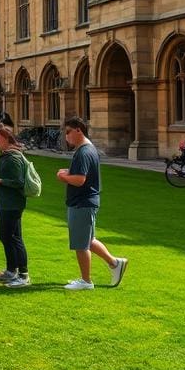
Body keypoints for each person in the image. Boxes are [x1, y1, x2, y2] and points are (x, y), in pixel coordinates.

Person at [57, 117, 128, 290]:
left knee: (80, 244)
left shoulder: (83, 152)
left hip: (82, 202)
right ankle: (115, 263)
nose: (66, 137)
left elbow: (80, 179)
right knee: (89, 240)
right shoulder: (87, 150)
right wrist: (68, 172)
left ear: (78, 130)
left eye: (68, 132)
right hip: (86, 201)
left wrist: (63, 176)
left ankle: (86, 281)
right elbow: (83, 174)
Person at [0, 124, 31, 288]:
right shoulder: (6, 155)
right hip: (5, 202)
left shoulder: (13, 157)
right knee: (5, 236)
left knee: (13, 238)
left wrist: (0, 181)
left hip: (12, 204)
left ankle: (23, 275)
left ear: (5, 138)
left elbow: (19, 182)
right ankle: (11, 270)